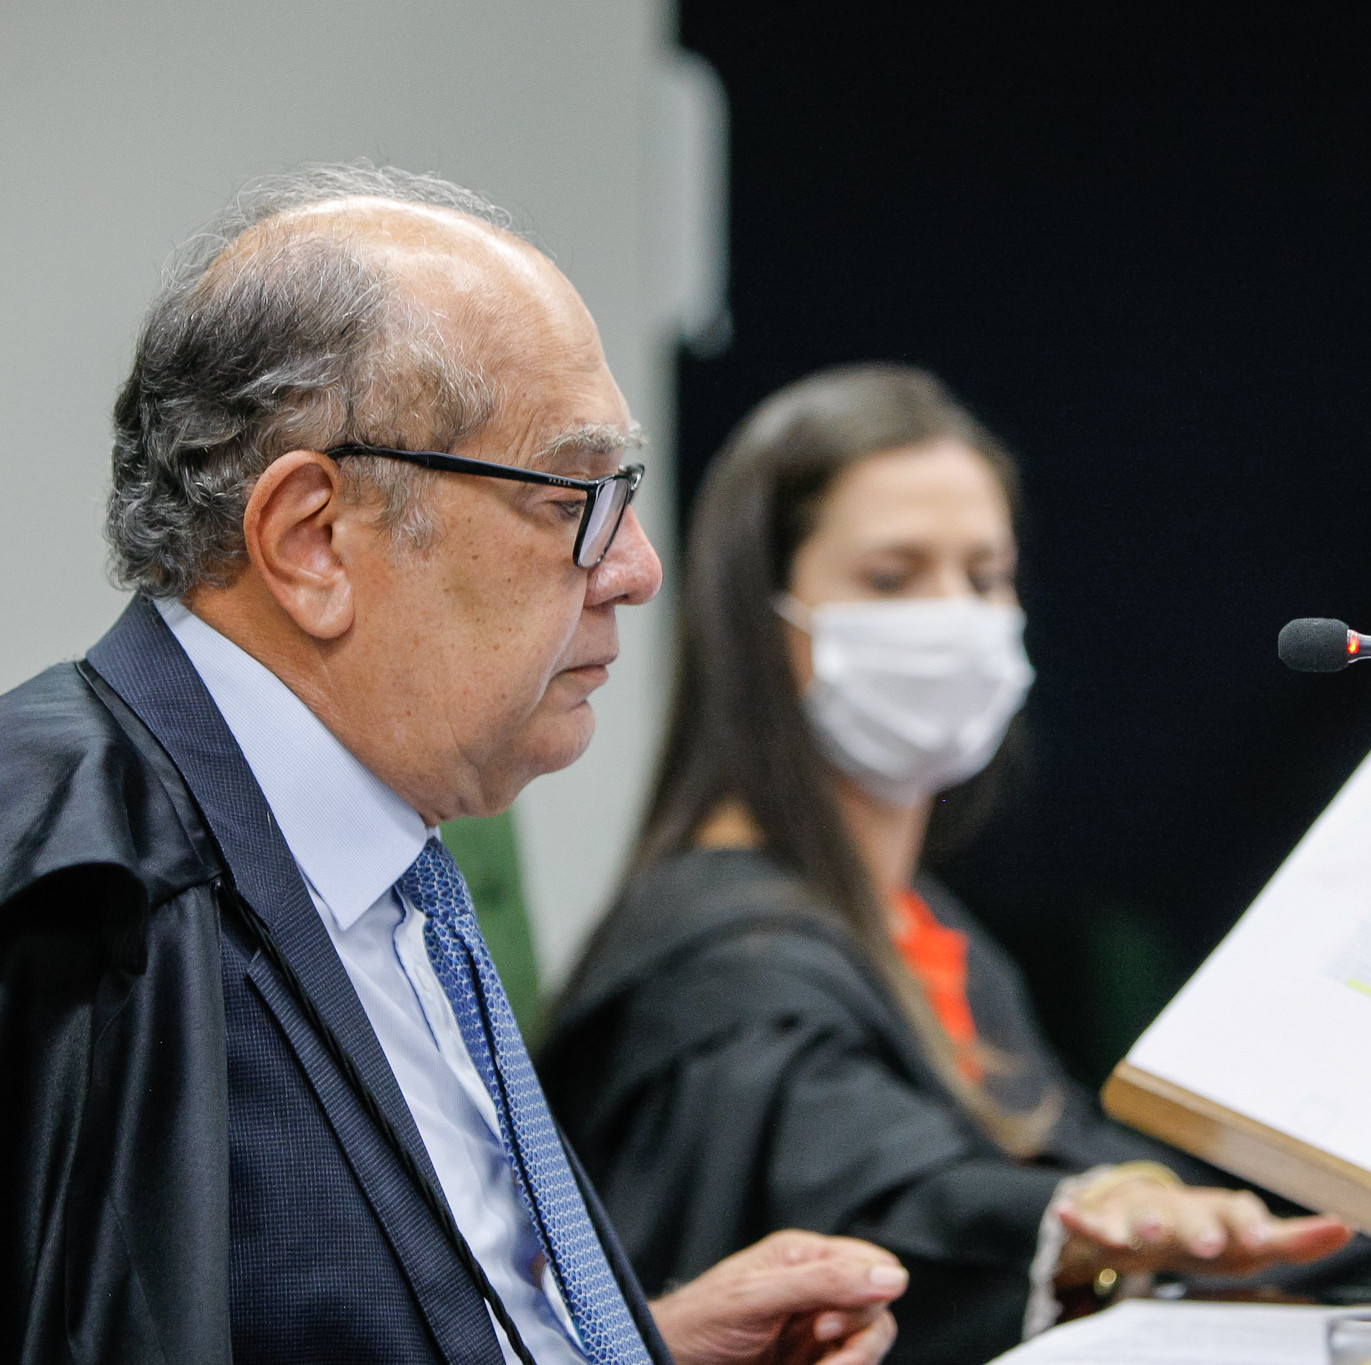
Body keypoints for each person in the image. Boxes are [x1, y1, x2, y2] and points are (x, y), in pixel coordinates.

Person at [0, 164, 903, 1364]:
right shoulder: (66, 892)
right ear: (313, 538)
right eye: (576, 494)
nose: (637, 565)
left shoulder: (391, 859)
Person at [540, 365, 1371, 1365]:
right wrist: (1083, 1219)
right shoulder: (721, 965)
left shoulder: (917, 924)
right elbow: (871, 1183)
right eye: (893, 578)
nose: (956, 618)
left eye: (984, 577)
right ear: (760, 623)